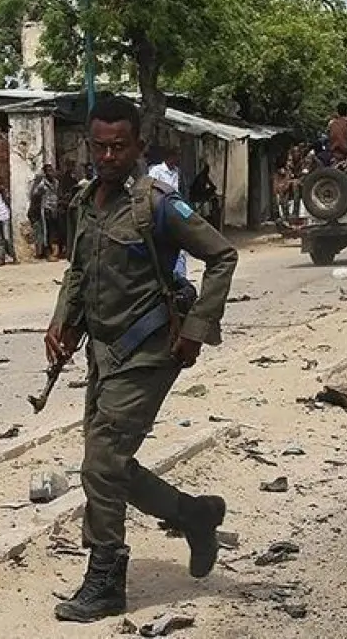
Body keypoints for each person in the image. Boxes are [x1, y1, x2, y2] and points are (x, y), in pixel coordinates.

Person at [45, 95, 238, 623]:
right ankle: (195, 515)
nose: (107, 157)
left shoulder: (157, 203)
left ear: (137, 146)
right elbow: (79, 273)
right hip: (104, 353)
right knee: (111, 467)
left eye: (119, 147)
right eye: (100, 147)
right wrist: (62, 321)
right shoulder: (86, 202)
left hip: (152, 349)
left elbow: (221, 254)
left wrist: (198, 328)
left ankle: (106, 577)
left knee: (101, 462)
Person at [148, 147, 188, 279]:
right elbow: (151, 190)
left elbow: (177, 191)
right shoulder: (156, 170)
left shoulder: (177, 171)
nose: (178, 159)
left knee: (188, 219)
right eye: (176, 156)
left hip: (176, 204)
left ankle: (180, 276)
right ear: (169, 157)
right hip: (161, 207)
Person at [31, 164, 61, 261]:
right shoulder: (42, 184)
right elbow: (34, 194)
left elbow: (58, 194)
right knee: (46, 231)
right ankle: (48, 253)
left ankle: (55, 252)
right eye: (48, 171)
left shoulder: (56, 182)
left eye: (51, 170)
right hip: (46, 209)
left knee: (55, 231)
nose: (50, 173)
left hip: (55, 209)